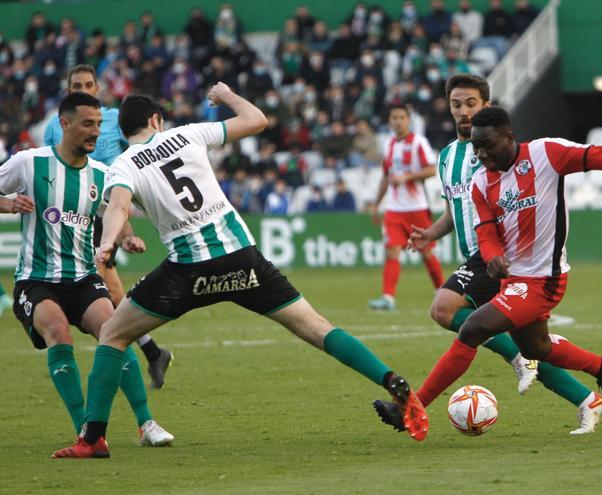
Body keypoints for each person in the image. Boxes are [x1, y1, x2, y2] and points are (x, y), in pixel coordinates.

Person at [52, 83, 428, 458]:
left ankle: (92, 439)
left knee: (114, 335)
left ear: (123, 132)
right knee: (317, 328)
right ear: (156, 120)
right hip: (242, 259)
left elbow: (117, 207)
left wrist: (108, 242)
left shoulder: (123, 164)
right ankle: (390, 379)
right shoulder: (188, 134)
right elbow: (257, 120)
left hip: (188, 270)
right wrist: (227, 95)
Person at [376, 100, 602, 439]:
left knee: (471, 329)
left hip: (545, 278)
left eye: (487, 145)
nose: (481, 155)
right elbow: (486, 233)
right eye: (475, 147)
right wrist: (494, 255)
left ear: (509, 136)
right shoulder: (481, 183)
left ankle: (411, 408)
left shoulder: (547, 154)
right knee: (536, 348)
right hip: (514, 279)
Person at [0, 92, 173, 449]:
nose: (95, 132)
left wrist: (126, 237)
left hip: (83, 278)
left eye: (98, 124)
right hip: (36, 280)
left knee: (116, 331)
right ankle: (86, 431)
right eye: (87, 124)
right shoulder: (29, 163)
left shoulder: (102, 175)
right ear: (64, 124)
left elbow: (115, 210)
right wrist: (6, 202)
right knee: (59, 332)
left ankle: (146, 423)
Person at [44, 64, 173, 389]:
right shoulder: (53, 126)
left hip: (106, 213)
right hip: (74, 214)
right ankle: (151, 351)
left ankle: (128, 355)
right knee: (112, 292)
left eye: (89, 84)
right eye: (78, 84)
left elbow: (138, 154)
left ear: (98, 88)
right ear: (68, 88)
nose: (85, 89)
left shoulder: (115, 120)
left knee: (102, 286)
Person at [367, 104, 444, 311]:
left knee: (426, 251)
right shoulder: (388, 144)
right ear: (389, 121)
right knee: (392, 251)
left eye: (401, 117)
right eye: (394, 117)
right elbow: (386, 176)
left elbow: (430, 170)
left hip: (416, 207)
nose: (397, 121)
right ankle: (388, 298)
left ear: (408, 120)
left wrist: (407, 176)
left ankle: (442, 291)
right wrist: (376, 204)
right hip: (394, 209)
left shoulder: (419, 142)